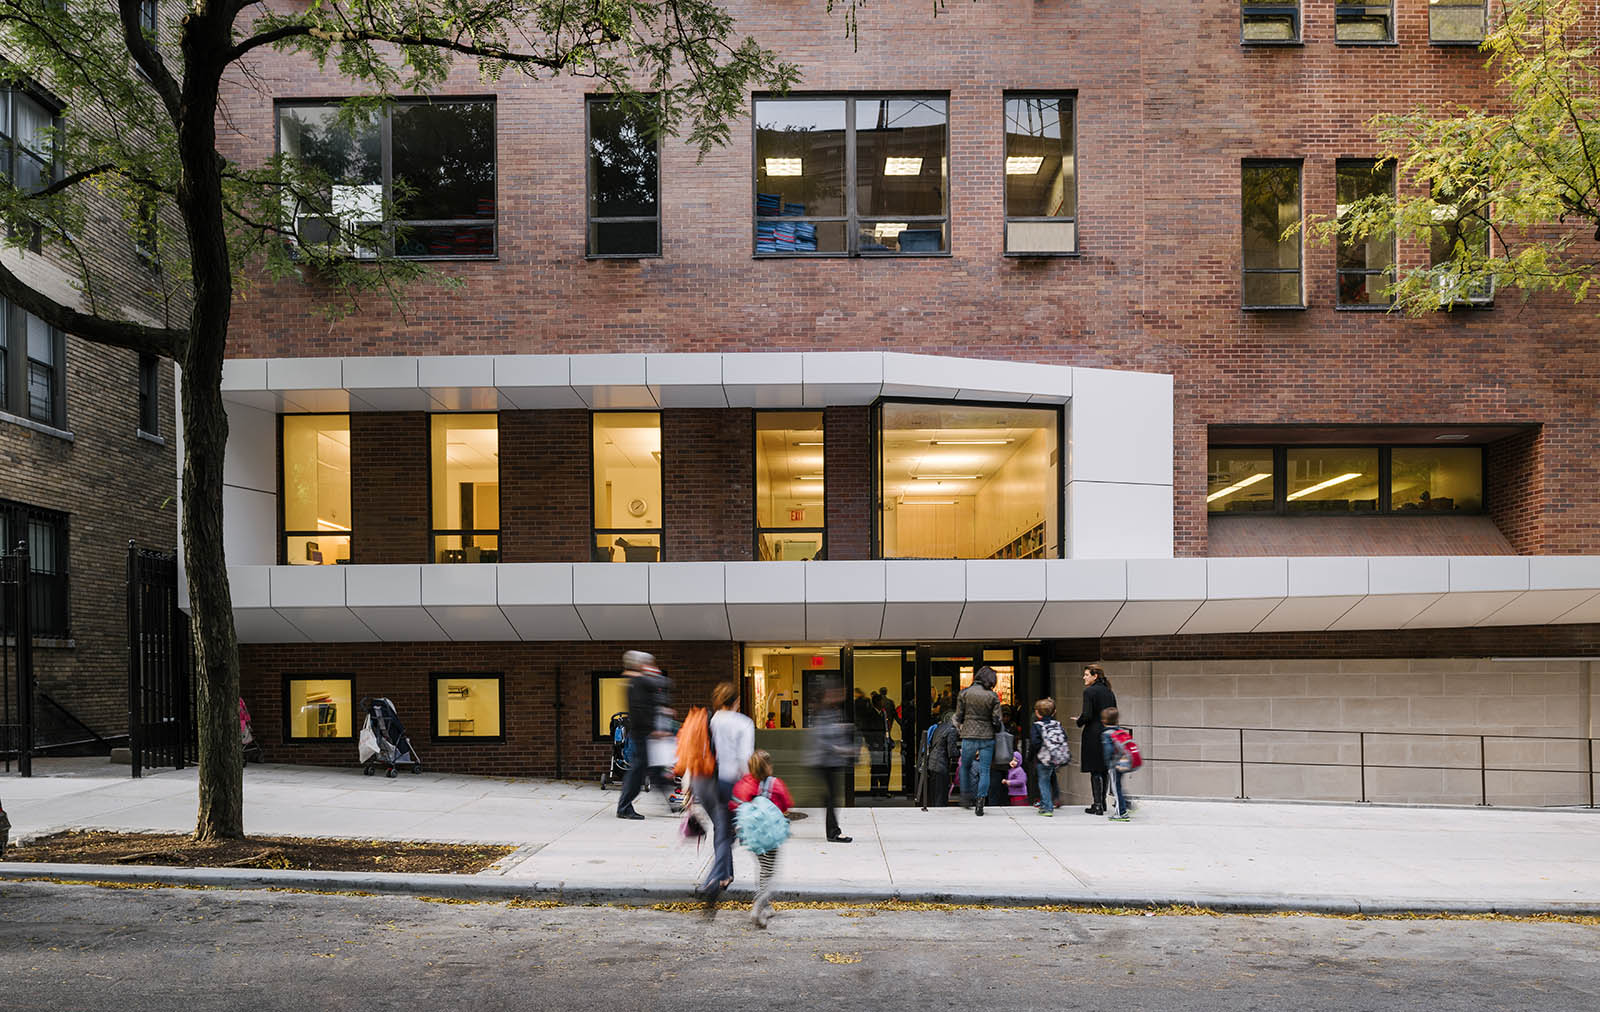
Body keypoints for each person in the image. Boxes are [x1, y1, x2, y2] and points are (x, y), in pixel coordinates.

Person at [697, 681, 754, 903]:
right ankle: (714, 878)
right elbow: (744, 758)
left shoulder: (709, 719)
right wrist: (750, 785)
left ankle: (726, 875)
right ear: (736, 701)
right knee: (726, 833)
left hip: (706, 782)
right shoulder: (743, 723)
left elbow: (699, 751)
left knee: (722, 829)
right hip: (731, 783)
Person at [731, 749, 793, 928]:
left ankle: (767, 906)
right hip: (769, 838)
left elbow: (734, 804)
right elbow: (786, 804)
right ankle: (758, 907)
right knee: (770, 873)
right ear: (768, 767)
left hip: (752, 838)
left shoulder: (745, 783)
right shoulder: (775, 784)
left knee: (762, 869)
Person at [615, 650, 673, 820]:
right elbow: (640, 709)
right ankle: (624, 807)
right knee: (638, 771)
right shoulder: (638, 682)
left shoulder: (636, 681)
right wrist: (652, 729)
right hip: (643, 733)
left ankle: (672, 802)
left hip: (643, 733)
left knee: (654, 769)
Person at [807, 684, 855, 843]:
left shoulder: (832, 711)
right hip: (824, 762)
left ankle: (833, 831)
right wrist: (840, 749)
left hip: (830, 762)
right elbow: (822, 739)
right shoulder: (823, 713)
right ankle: (833, 832)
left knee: (831, 797)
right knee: (832, 797)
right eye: (836, 693)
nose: (840, 696)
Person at [954, 665, 1001, 816]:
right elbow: (996, 719)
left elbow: (959, 716)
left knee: (965, 766)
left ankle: (966, 796)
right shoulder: (992, 696)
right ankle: (980, 801)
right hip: (987, 736)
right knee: (985, 770)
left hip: (969, 735)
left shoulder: (965, 693)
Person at [1076, 664, 1118, 815]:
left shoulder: (1089, 692)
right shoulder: (1109, 692)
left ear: (1095, 676)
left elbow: (1087, 715)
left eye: (1087, 675)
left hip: (1093, 734)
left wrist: (1078, 721)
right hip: (1107, 732)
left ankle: (1097, 804)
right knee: (1104, 768)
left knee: (1095, 770)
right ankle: (1103, 803)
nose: (1084, 677)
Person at [1029, 697, 1070, 817]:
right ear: (1054, 712)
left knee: (1043, 782)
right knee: (1050, 778)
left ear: (1037, 713)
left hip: (1043, 759)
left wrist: (1031, 757)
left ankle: (1047, 807)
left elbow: (1035, 743)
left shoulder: (1037, 726)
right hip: (1055, 757)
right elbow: (1064, 738)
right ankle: (1052, 799)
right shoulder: (1057, 724)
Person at [1100, 706, 1135, 821]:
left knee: (1115, 788)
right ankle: (1125, 804)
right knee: (1118, 786)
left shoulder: (1107, 734)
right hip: (1124, 763)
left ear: (1104, 721)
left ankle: (1121, 813)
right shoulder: (1120, 731)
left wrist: (1108, 763)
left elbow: (1109, 750)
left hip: (1114, 765)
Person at [923, 708, 959, 809]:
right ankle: (939, 817)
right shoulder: (952, 730)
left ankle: (935, 813)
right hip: (941, 765)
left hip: (933, 763)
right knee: (941, 796)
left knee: (935, 794)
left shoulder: (939, 727)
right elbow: (951, 752)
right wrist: (960, 753)